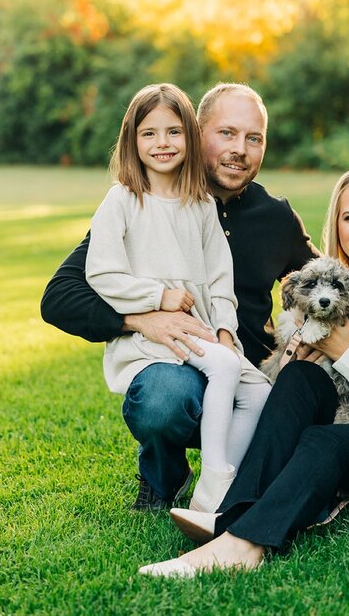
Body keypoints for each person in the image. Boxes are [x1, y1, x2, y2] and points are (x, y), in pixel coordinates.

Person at [138, 162, 349, 577]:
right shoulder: (333, 289)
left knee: (327, 442)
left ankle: (241, 545)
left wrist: (346, 353)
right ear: (336, 226)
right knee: (298, 378)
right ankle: (229, 509)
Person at [41, 83, 318, 510]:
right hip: (174, 364)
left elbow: (322, 279)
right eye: (226, 133)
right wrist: (143, 316)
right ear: (199, 132)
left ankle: (227, 483)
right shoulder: (129, 203)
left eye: (253, 138)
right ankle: (169, 474)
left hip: (240, 358)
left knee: (280, 399)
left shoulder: (274, 216)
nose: (240, 149)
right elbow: (63, 295)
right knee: (165, 399)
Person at [86, 83, 271, 511]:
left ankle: (223, 480)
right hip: (155, 342)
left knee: (259, 393)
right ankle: (213, 483)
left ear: (190, 136)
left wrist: (225, 330)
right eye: (149, 133)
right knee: (215, 374)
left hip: (202, 333)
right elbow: (101, 273)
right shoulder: (122, 201)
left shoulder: (201, 205)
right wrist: (158, 295)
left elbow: (221, 280)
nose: (162, 143)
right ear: (132, 140)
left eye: (173, 132)